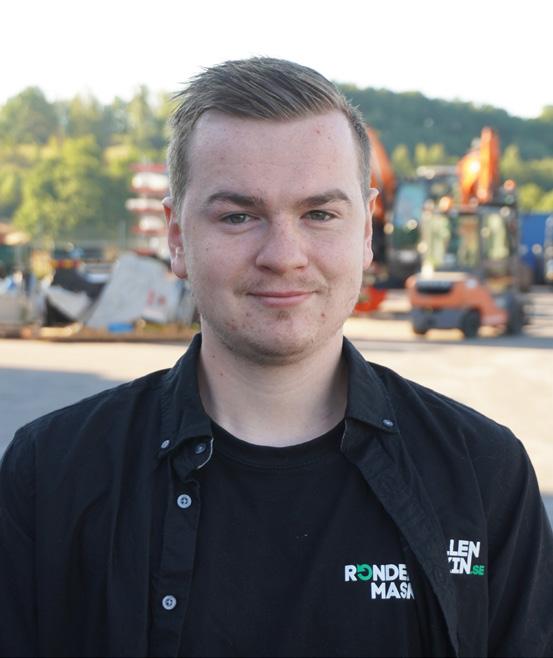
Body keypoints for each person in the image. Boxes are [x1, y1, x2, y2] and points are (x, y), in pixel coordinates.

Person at [1, 58, 552, 658]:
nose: (284, 255)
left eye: (319, 214)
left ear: (366, 232)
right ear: (177, 235)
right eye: (239, 216)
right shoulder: (50, 475)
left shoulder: (483, 475)